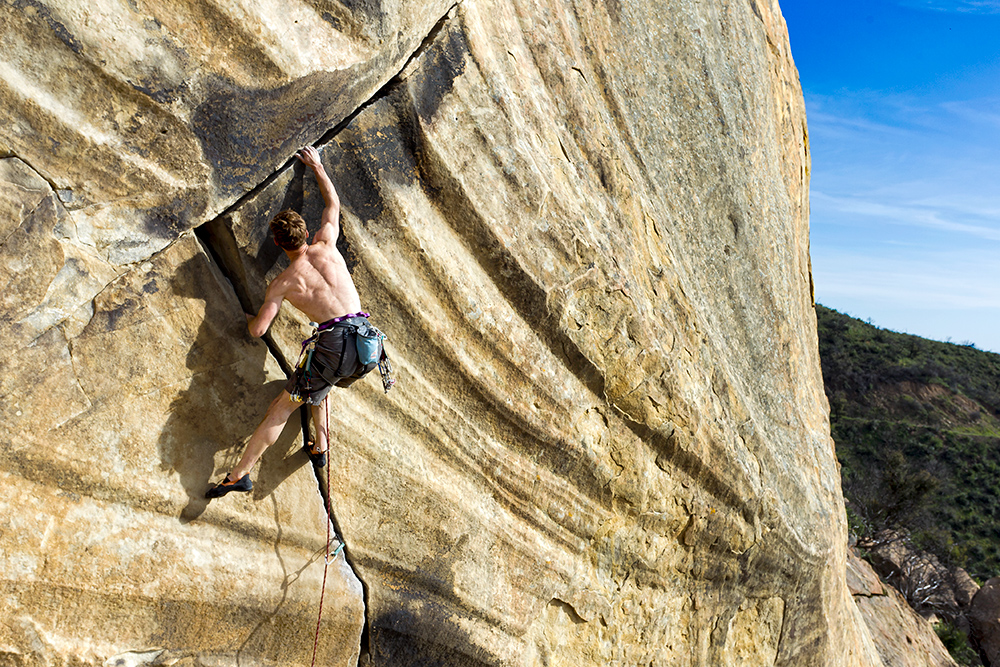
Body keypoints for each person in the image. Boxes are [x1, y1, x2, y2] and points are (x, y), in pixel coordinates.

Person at [206, 145, 375, 499]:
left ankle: (239, 474)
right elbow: (333, 205)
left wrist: (249, 314)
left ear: (279, 243)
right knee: (318, 385)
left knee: (281, 408)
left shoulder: (283, 283)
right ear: (308, 233)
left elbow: (258, 331)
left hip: (335, 349)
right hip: (367, 344)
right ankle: (320, 447)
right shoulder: (327, 245)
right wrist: (317, 166)